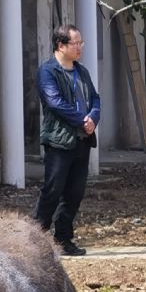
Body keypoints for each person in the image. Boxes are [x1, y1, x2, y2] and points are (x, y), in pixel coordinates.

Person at [30, 23, 100, 257]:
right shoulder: (48, 72)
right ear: (61, 45)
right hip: (59, 142)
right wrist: (82, 120)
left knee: (74, 193)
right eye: (75, 43)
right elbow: (54, 102)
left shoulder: (82, 71)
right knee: (53, 190)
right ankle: (34, 241)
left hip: (82, 141)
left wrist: (93, 118)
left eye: (81, 43)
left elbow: (95, 98)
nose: (80, 47)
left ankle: (63, 239)